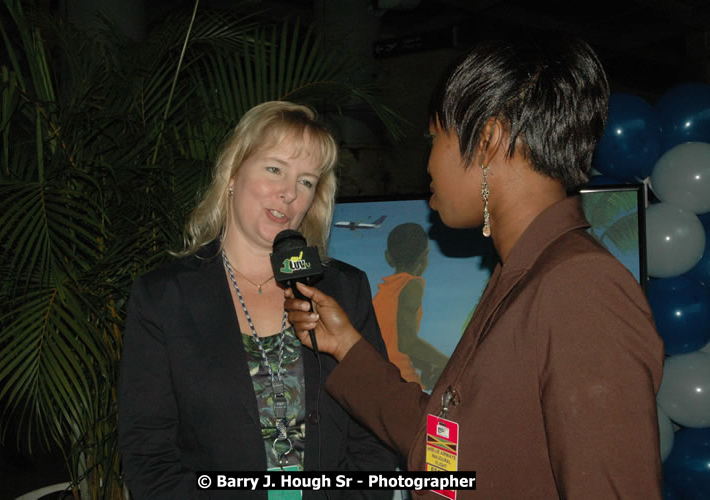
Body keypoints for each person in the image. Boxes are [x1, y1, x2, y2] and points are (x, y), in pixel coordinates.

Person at [285, 32, 664, 499]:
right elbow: (443, 450)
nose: (427, 165)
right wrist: (346, 346)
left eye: (435, 139)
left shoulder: (579, 287)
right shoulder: (525, 278)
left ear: (487, 140)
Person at [118, 101, 397, 499]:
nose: (288, 193)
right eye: (274, 169)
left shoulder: (344, 288)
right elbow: (148, 454)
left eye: (306, 181)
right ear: (232, 173)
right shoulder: (164, 297)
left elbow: (375, 429)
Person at [372, 223, 448, 389]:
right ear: (423, 258)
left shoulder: (383, 293)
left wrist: (427, 366)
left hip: (381, 379)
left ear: (388, 257)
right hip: (402, 383)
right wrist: (450, 364)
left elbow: (391, 342)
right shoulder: (412, 285)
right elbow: (407, 343)